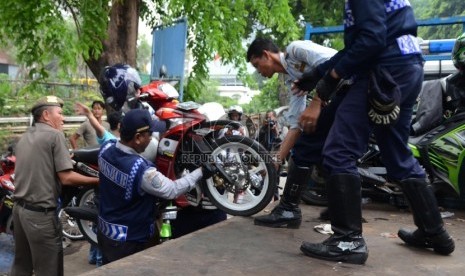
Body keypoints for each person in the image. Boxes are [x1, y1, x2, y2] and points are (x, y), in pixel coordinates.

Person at [297, 1, 455, 265]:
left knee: (338, 150)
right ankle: (434, 231)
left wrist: (330, 80)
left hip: (384, 71)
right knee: (396, 154)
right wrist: (318, 72)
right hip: (407, 66)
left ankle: (348, 241)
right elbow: (360, 45)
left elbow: (371, 40)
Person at [96, 108, 216, 264]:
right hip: (129, 242)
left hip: (105, 233)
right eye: (150, 134)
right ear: (138, 137)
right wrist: (201, 171)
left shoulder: (106, 148)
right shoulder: (142, 170)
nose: (152, 138)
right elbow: (172, 190)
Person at [246, 37, 339, 228]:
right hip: (339, 100)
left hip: (350, 89)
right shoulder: (291, 80)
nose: (259, 72)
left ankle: (288, 209)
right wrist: (277, 160)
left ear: (266, 55)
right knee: (325, 152)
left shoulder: (295, 49)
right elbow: (297, 123)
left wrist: (316, 102)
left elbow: (332, 61)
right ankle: (340, 208)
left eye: (257, 65)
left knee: (306, 146)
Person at [11, 96, 100, 276]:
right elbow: (66, 178)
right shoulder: (55, 135)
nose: (63, 118)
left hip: (19, 212)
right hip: (40, 216)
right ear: (45, 115)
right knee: (49, 270)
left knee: (22, 266)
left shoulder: (25, 136)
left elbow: (40, 165)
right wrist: (98, 181)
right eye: (59, 113)